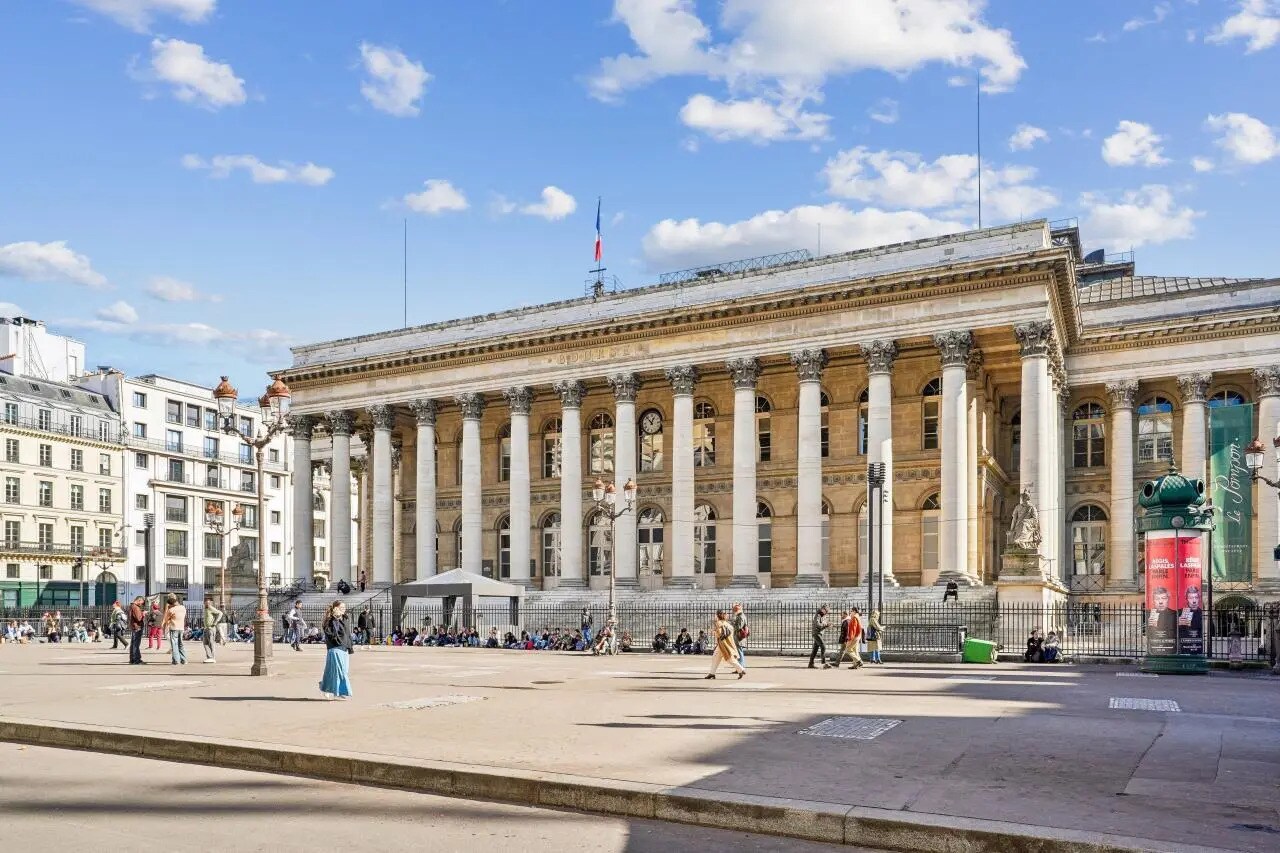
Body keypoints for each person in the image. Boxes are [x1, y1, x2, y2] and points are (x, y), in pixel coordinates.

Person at [319, 599, 354, 700]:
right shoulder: (330, 620)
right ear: (336, 608)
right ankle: (341, 691)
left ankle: (328, 688)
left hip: (344, 648)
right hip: (335, 648)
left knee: (335, 671)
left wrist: (350, 647)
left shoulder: (345, 618)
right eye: (341, 607)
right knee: (340, 671)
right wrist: (336, 619)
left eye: (344, 607)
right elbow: (330, 633)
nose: (344, 609)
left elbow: (347, 634)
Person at [705, 610, 746, 679]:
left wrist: (714, 632)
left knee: (729, 659)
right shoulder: (728, 624)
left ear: (718, 615)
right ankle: (712, 673)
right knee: (715, 657)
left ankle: (741, 669)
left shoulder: (718, 623)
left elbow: (719, 634)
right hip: (726, 643)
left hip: (723, 644)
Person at [162, 594, 187, 665]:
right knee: (180, 644)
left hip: (174, 628)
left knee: (174, 644)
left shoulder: (171, 610)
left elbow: (166, 620)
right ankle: (184, 660)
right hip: (181, 628)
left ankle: (176, 660)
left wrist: (167, 622)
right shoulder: (183, 608)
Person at [127, 596, 146, 664]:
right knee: (136, 644)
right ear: (139, 600)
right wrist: (143, 614)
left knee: (133, 643)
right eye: (141, 603)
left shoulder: (131, 606)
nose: (141, 604)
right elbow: (138, 618)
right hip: (137, 626)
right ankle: (136, 659)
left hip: (134, 626)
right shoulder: (135, 607)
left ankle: (132, 659)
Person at [730, 603, 748, 669]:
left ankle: (741, 667)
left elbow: (738, 627)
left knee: (739, 652)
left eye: (734, 610)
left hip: (739, 637)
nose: (734, 612)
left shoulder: (741, 617)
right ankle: (739, 667)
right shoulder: (740, 616)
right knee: (738, 652)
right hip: (738, 637)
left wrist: (733, 623)